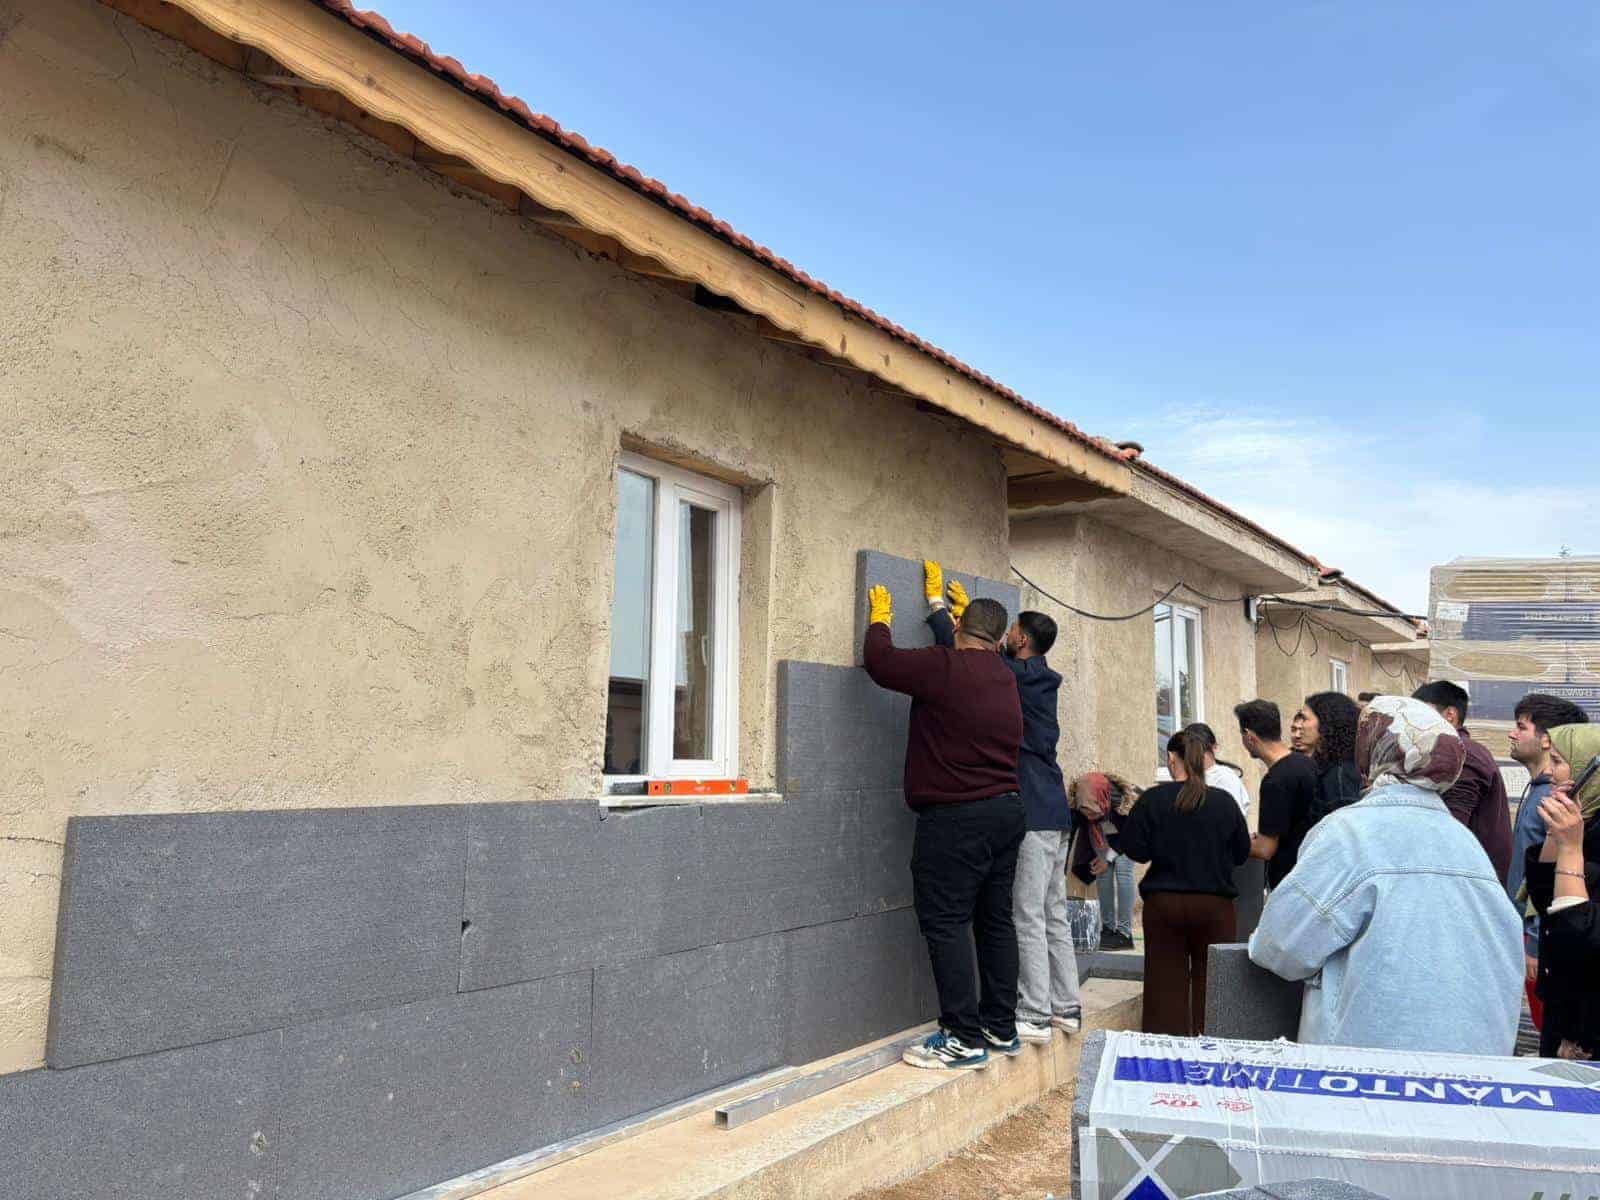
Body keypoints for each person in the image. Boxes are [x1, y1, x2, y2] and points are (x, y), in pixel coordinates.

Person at [1249, 696, 1523, 1055]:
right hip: (1475, 1059)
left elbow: (1281, 948)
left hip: (1374, 1063)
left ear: (1371, 750)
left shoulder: (1350, 832)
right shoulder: (1465, 843)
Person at [863, 580, 1023, 1071]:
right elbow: (962, 660)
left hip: (956, 818)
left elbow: (881, 662)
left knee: (946, 922)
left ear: (958, 628)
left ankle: (962, 1036)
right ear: (1000, 640)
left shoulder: (944, 667)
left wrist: (879, 619)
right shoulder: (1005, 675)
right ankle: (1000, 1026)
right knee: (995, 921)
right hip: (1006, 812)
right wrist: (946, 617)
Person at [924, 562, 1080, 1042]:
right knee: (1053, 912)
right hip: (1057, 813)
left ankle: (1033, 1013)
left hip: (1032, 810)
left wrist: (941, 614)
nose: (1005, 636)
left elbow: (970, 659)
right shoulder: (1042, 678)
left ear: (1022, 640)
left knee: (1025, 914)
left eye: (1011, 631)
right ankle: (1066, 1006)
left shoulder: (1012, 675)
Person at [1114, 729, 1250, 1036]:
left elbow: (1134, 849)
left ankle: (1165, 1056)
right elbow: (1241, 853)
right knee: (1214, 991)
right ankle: (1212, 1051)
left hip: (1164, 904)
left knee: (1164, 989)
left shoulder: (1153, 799)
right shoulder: (1224, 802)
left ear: (1171, 758)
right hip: (1215, 905)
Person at [1523, 723, 1600, 1060]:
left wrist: (1571, 849)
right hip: (1563, 1005)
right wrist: (1556, 835)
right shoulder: (1582, 822)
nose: (1549, 772)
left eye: (1557, 761)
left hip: (1589, 1020)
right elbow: (1544, 899)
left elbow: (1579, 931)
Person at [1507, 695, 1590, 1005]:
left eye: (1521, 727)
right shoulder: (1541, 794)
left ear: (1546, 739)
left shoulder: (1558, 806)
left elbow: (1554, 880)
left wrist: (1534, 943)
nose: (1512, 734)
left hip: (1541, 937)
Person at [1412, 681, 1512, 882]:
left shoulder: (1460, 754)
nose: (1413, 722)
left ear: (1450, 714)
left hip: (1464, 880)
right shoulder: (1461, 750)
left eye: (1421, 713)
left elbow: (1450, 830)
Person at [1235, 699, 1317, 891]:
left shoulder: (1275, 781)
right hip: (1313, 874)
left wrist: (1228, 841)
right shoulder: (1306, 763)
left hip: (1290, 883)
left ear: (1249, 736)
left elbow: (1265, 849)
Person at [1290, 692, 1362, 826]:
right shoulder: (1322, 764)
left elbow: (1345, 828)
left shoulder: (1340, 774)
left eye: (1304, 719)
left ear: (1325, 722)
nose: (1300, 726)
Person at [1182, 722, 1251, 817]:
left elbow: (1232, 817)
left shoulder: (1225, 777)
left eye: (1201, 750)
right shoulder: (1187, 779)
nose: (1195, 755)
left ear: (1214, 746)